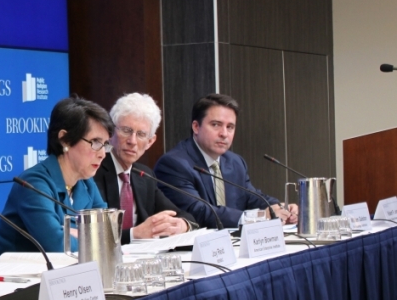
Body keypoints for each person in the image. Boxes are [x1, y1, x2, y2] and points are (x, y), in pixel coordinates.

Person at [0, 96, 112, 264]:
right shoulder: (34, 183)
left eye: (105, 144)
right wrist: (89, 236)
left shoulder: (85, 182)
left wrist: (76, 235)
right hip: (1, 280)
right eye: (95, 142)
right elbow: (57, 246)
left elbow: (109, 235)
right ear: (65, 140)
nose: (102, 153)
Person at [154, 93, 299, 228]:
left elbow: (251, 196)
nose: (224, 134)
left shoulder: (234, 162)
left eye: (230, 127)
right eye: (216, 125)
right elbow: (199, 212)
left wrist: (278, 207)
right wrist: (261, 216)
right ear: (196, 127)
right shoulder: (174, 164)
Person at [94, 93, 197, 243]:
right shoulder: (94, 170)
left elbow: (180, 215)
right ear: (111, 133)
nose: (132, 141)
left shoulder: (144, 175)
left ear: (150, 141)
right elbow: (95, 235)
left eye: (141, 134)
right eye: (126, 130)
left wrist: (182, 225)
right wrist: (133, 234)